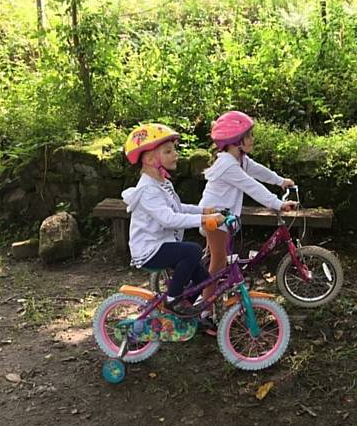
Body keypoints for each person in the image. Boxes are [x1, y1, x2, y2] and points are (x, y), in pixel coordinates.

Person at [198, 111, 297, 315]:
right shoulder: (227, 164)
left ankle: (202, 292)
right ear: (236, 141)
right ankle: (204, 309)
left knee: (214, 259)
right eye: (249, 136)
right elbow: (252, 187)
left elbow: (258, 171)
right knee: (218, 262)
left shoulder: (239, 158)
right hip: (215, 218)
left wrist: (280, 181)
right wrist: (278, 204)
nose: (252, 139)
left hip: (225, 217)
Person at [121, 123, 224, 319]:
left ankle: (189, 315)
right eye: (168, 151)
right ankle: (172, 300)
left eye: (173, 150)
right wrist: (204, 219)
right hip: (149, 249)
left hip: (164, 244)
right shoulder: (147, 191)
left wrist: (205, 210)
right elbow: (168, 219)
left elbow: (178, 207)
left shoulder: (162, 183)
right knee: (193, 250)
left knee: (204, 279)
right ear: (151, 159)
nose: (175, 154)